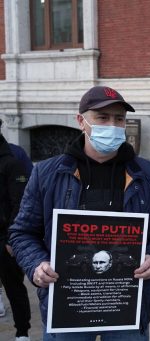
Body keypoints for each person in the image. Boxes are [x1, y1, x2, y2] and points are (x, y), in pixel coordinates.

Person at [8, 86, 150, 340]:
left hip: (126, 304)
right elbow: (22, 232)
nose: (112, 125)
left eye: (119, 119)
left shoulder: (148, 174)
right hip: (67, 303)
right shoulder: (47, 173)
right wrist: (36, 265)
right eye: (102, 117)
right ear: (81, 121)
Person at [0, 119, 32, 341]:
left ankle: (22, 332)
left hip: (4, 239)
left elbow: (20, 202)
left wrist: (12, 239)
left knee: (15, 288)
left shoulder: (12, 160)